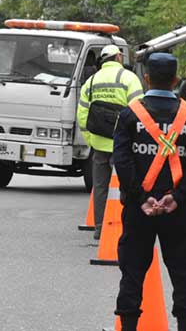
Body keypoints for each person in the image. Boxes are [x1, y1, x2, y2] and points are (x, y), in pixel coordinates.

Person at [112, 52, 186, 331]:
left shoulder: (130, 116)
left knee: (132, 272)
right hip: (176, 211)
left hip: (138, 210)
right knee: (182, 273)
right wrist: (178, 197)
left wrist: (141, 198)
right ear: (176, 80)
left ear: (146, 78)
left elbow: (121, 160)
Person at [76, 45, 144, 240]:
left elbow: (82, 115)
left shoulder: (91, 82)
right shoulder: (129, 78)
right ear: (118, 57)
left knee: (100, 187)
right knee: (126, 186)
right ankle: (125, 228)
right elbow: (139, 111)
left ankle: (99, 228)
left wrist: (91, 139)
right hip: (123, 145)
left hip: (99, 144)